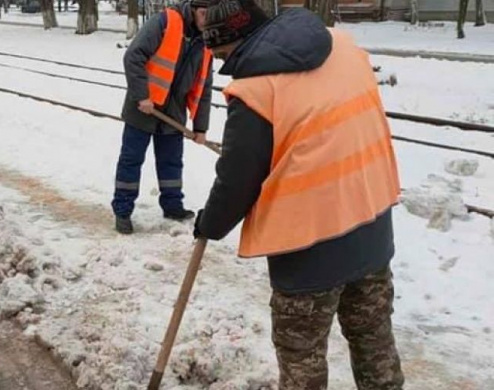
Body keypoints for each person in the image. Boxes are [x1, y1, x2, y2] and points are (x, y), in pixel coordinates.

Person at [195, 0, 405, 388]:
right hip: (371, 225)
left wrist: (209, 223)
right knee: (374, 342)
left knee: (302, 360)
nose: (222, 62)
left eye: (220, 52)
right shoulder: (342, 45)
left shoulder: (255, 90)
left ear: (231, 40)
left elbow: (237, 180)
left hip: (308, 249)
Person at [112, 0, 214, 234]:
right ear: (193, 8)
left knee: (171, 162)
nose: (206, 18)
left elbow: (204, 86)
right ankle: (123, 210)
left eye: (212, 14)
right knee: (131, 159)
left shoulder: (207, 40)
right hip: (143, 107)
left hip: (174, 112)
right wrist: (141, 96)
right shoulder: (165, 21)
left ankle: (172, 206)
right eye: (203, 12)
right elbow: (133, 57)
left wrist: (201, 127)